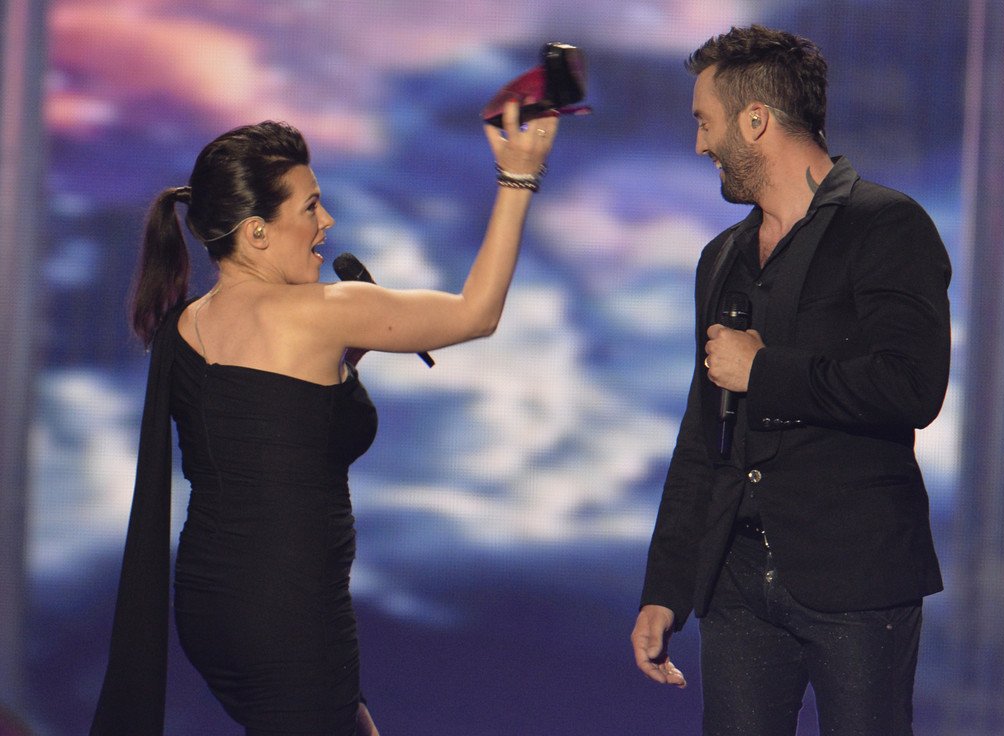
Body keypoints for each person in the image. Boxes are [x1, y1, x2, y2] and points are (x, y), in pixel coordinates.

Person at [91, 102, 557, 735]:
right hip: (291, 616)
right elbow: (477, 313)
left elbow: (268, 430)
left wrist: (342, 374)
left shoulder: (185, 324)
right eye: (310, 207)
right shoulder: (323, 311)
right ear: (257, 232)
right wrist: (518, 177)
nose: (326, 221)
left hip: (211, 607)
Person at [630, 25, 950, 736]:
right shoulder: (722, 256)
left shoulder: (887, 226)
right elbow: (703, 432)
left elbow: (912, 385)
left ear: (755, 121)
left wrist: (764, 371)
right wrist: (667, 587)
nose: (700, 145)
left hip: (856, 582)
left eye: (705, 122)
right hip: (738, 584)